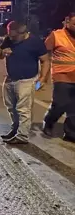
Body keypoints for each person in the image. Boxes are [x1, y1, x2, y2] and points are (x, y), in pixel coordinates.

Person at [0, 21, 50, 144]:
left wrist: (42, 79)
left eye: (13, 36)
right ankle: (15, 130)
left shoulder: (35, 42)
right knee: (11, 108)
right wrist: (2, 53)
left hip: (26, 80)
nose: (11, 38)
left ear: (23, 33)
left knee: (23, 110)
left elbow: (45, 61)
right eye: (9, 35)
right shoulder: (8, 39)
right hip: (10, 79)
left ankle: (22, 136)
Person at [43, 12, 75, 143]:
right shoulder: (56, 35)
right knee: (61, 104)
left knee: (73, 107)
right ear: (67, 22)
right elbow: (43, 53)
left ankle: (71, 133)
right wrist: (42, 74)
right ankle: (49, 121)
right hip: (62, 76)